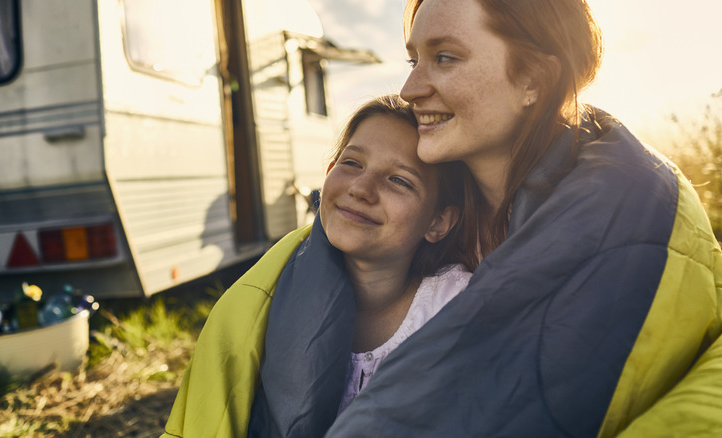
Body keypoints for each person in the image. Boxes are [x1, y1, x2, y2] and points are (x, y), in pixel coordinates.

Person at [322, 0, 722, 437]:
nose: (409, 88)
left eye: (445, 58)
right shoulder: (434, 204)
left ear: (533, 79)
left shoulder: (630, 203)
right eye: (413, 59)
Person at [161, 95, 474, 438]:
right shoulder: (266, 297)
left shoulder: (456, 310)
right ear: (328, 174)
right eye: (352, 163)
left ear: (438, 221)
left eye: (399, 180)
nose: (361, 189)